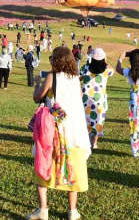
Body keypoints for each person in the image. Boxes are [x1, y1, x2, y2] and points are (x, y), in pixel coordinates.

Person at [28, 47, 91, 220]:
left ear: (55, 60)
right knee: (73, 168)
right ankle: (72, 210)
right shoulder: (75, 79)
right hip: (74, 133)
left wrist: (37, 84)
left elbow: (37, 97)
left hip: (53, 132)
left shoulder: (51, 77)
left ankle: (43, 209)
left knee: (44, 163)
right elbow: (77, 101)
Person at [79, 47, 114, 149]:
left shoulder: (85, 68)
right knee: (98, 120)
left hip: (85, 99)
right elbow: (113, 70)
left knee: (86, 120)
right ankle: (94, 143)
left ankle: (85, 140)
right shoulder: (107, 69)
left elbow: (79, 78)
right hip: (99, 100)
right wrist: (105, 62)